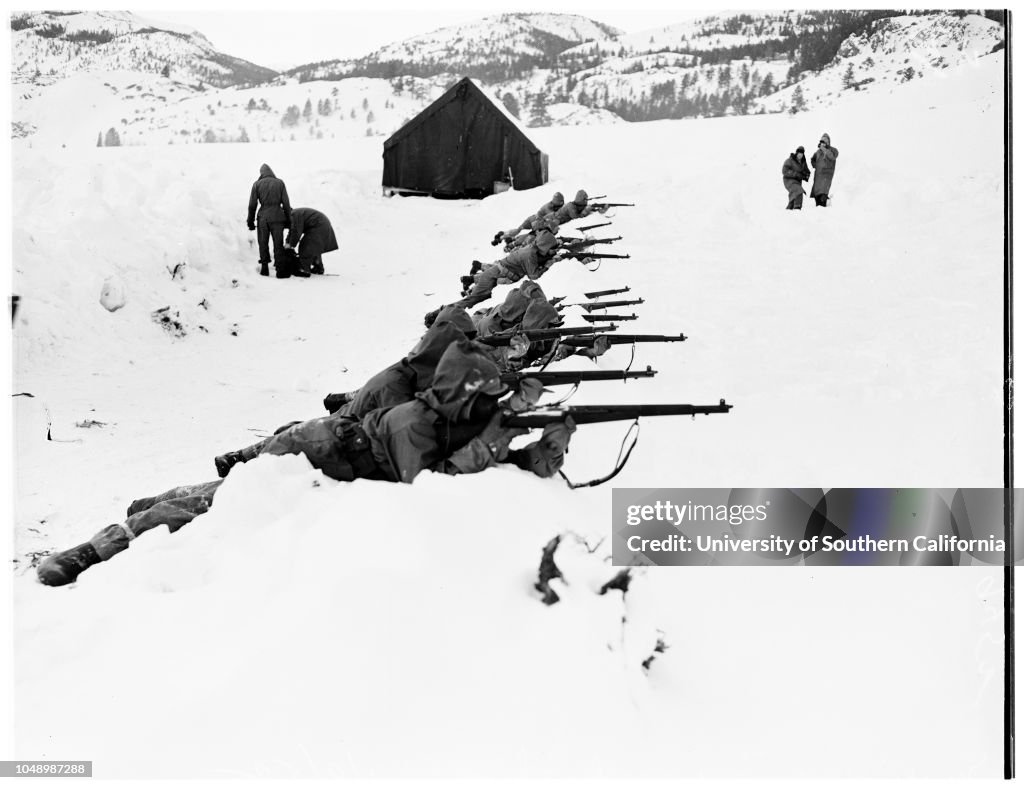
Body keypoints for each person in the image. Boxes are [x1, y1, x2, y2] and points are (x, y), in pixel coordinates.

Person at [36, 340, 573, 587]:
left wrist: (532, 444)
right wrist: (501, 431)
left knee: (212, 496)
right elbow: (433, 482)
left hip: (328, 460)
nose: (487, 412)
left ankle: (155, 500)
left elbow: (471, 461)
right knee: (212, 507)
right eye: (483, 401)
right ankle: (93, 548)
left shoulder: (447, 418)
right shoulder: (415, 422)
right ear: (463, 395)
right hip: (313, 453)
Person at [216, 308, 479, 477]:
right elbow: (400, 431)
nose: (470, 346)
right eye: (465, 339)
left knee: (295, 435)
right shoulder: (403, 379)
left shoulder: (424, 361)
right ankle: (239, 460)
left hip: (349, 424)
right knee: (279, 456)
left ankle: (243, 457)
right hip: (346, 432)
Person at [451, 229, 561, 311]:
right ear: (544, 246)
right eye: (551, 248)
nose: (553, 251)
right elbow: (533, 276)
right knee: (473, 299)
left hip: (497, 274)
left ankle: (457, 305)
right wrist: (547, 265)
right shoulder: (529, 255)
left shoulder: (533, 249)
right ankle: (446, 311)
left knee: (476, 298)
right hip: (494, 276)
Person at [246, 164, 292, 278]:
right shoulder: (280, 183)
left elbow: (252, 205)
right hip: (278, 217)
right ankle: (280, 270)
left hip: (263, 218)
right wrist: (289, 220)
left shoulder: (256, 184)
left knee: (263, 243)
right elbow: (286, 204)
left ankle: (264, 268)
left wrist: (250, 222)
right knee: (278, 244)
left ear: (261, 173)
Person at [286, 207, 339, 277]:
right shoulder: (295, 214)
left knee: (306, 246)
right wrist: (287, 242)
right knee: (314, 246)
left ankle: (303, 269)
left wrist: (291, 245)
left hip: (319, 225)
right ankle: (318, 266)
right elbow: (292, 230)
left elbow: (296, 231)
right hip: (321, 224)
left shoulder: (294, 215)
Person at [496, 191, 565, 245]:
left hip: (532, 218)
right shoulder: (549, 208)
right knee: (532, 235)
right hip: (536, 222)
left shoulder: (549, 205)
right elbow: (552, 218)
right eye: (560, 203)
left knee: (519, 229)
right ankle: (514, 241)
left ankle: (503, 235)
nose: (561, 204)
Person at [810, 133, 839, 207]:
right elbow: (812, 160)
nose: (823, 143)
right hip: (817, 180)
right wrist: (815, 165)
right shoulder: (818, 152)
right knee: (817, 203)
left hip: (826, 178)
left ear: (828, 142)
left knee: (822, 199)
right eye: (822, 141)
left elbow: (832, 157)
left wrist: (824, 149)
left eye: (825, 141)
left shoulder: (832, 150)